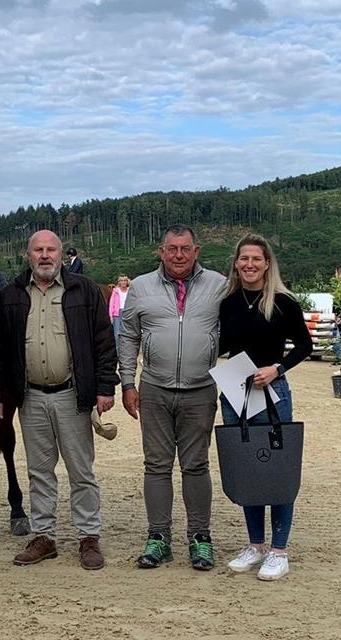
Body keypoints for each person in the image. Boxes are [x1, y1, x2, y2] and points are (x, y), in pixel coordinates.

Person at [0, 230, 118, 570]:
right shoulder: (11, 295)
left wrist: (105, 387)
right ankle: (44, 536)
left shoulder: (84, 291)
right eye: (38, 250)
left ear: (62, 254)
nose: (45, 255)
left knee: (81, 471)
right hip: (30, 397)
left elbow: (104, 342)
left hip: (72, 395)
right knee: (39, 472)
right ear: (28, 255)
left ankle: (89, 537)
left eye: (51, 249)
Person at [118, 224, 228, 571]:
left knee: (196, 465)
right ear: (161, 252)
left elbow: (241, 327)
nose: (178, 255)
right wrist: (127, 383)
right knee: (156, 465)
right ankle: (158, 537)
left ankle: (200, 538)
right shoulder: (140, 287)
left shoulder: (219, 285)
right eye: (172, 249)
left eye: (185, 248)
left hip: (200, 389)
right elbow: (128, 336)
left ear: (197, 251)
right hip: (154, 389)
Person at [217, 233, 313, 581]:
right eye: (244, 258)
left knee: (277, 468)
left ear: (267, 263)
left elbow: (303, 345)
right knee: (247, 468)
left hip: (273, 391)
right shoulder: (227, 303)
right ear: (236, 263)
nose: (249, 264)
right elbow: (221, 345)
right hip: (235, 390)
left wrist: (278, 368)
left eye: (256, 258)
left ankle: (279, 550)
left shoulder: (284, 303)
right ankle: (255, 545)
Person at [108, 275, 130, 351]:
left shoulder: (130, 290)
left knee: (127, 333)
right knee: (117, 334)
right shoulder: (115, 291)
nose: (123, 282)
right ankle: (117, 352)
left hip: (127, 312)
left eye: (125, 280)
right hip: (117, 313)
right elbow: (111, 304)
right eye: (121, 281)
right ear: (119, 282)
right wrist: (111, 316)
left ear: (127, 282)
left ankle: (126, 351)